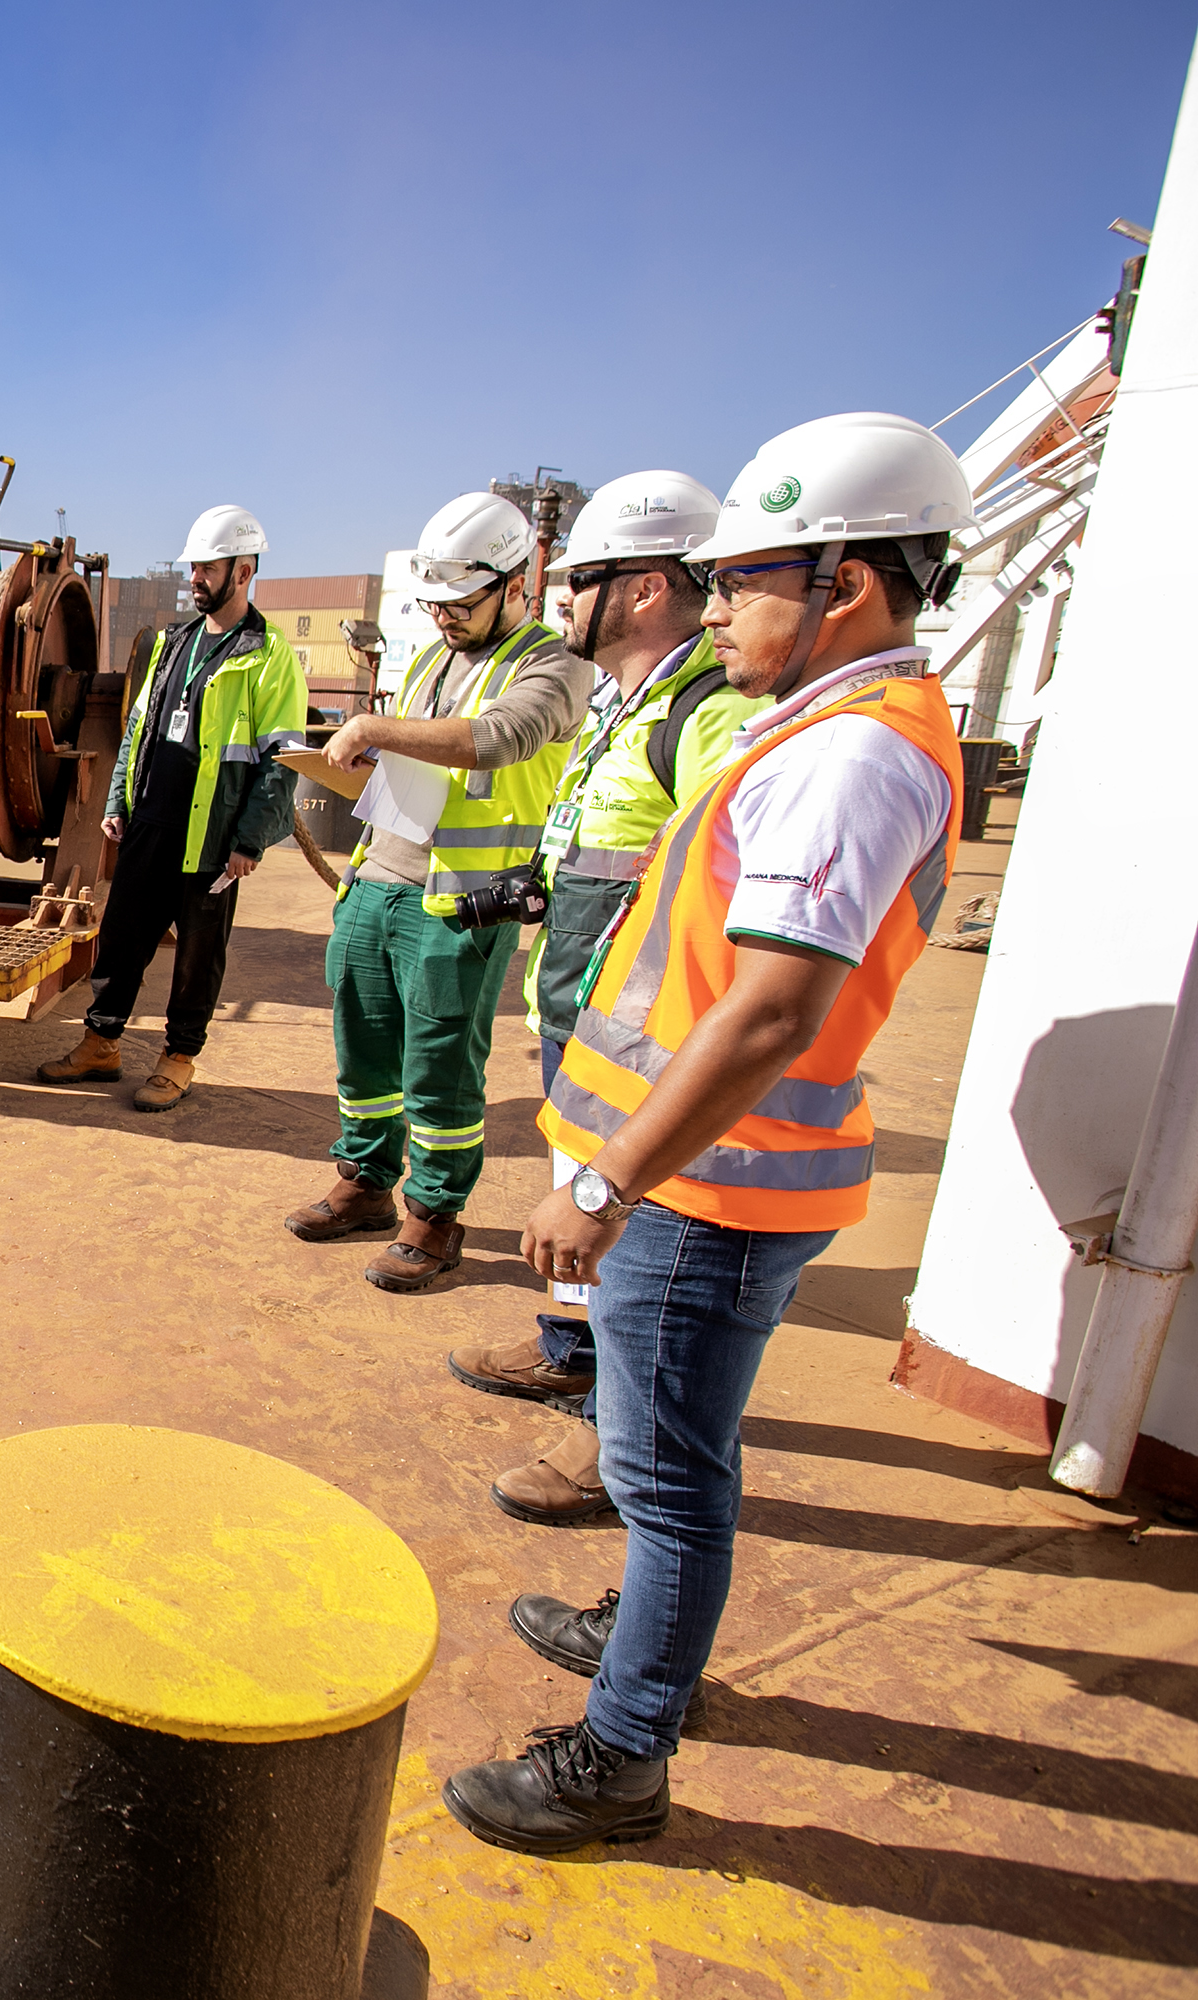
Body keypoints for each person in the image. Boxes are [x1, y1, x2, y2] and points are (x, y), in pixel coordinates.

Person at [444, 413, 974, 1854]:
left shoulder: (854, 755)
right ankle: (644, 1646)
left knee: (674, 1477)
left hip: (709, 1191)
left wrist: (608, 1181)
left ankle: (620, 1755)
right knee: (665, 1451)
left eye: (743, 581)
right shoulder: (834, 726)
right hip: (711, 1181)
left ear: (844, 584)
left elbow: (767, 1013)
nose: (714, 604)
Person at [441, 473, 766, 1527]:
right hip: (582, 1016)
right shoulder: (630, 703)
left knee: (620, 1237)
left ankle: (604, 1445)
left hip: (642, 1040)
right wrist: (534, 888)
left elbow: (718, 888)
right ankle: (566, 1356)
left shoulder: (708, 715)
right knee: (578, 1229)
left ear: (641, 589)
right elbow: (609, 841)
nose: (561, 595)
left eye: (580, 577)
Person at [287, 491, 584, 1292]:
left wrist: (376, 731)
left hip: (463, 900)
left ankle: (434, 1216)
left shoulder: (553, 667)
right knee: (365, 1050)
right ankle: (365, 1184)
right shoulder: (427, 660)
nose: (444, 616)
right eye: (435, 601)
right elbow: (410, 763)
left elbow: (495, 739)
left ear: (515, 584)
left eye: (461, 601)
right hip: (378, 883)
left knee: (441, 1064)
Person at [35, 504, 305, 1111]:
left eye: (208, 568)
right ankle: (100, 1043)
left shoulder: (268, 655)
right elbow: (138, 727)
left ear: (244, 571)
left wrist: (251, 840)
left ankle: (177, 1058)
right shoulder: (172, 642)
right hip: (151, 822)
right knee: (124, 936)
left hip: (213, 834)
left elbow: (281, 758)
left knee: (198, 954)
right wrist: (119, 796)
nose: (196, 579)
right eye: (194, 568)